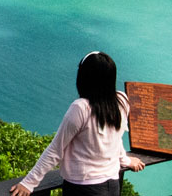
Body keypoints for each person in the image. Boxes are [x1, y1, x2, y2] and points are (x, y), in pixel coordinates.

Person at [9, 51, 145, 196]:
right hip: (112, 185)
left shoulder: (81, 108)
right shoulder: (122, 101)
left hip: (84, 188)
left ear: (85, 78)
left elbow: (55, 150)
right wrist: (125, 160)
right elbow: (114, 138)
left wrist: (29, 182)